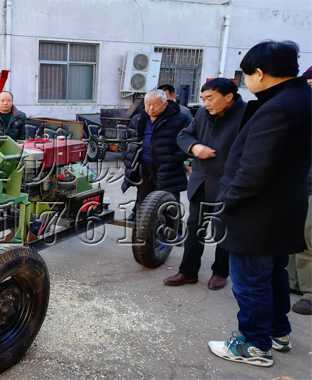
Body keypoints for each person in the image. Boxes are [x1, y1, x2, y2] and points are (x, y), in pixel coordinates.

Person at [208, 41, 311, 367]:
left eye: (246, 75)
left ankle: (253, 344)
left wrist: (225, 202)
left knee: (251, 281)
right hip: (283, 209)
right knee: (272, 275)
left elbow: (254, 169)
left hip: (257, 214)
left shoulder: (279, 107)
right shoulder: (301, 99)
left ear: (260, 73)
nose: (245, 81)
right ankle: (278, 332)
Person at [164, 78, 246, 290]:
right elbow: (184, 135)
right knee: (194, 229)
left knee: (223, 231)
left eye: (210, 98)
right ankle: (188, 271)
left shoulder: (247, 116)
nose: (206, 103)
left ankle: (220, 272)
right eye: (203, 99)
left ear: (229, 97)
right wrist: (194, 147)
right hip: (201, 181)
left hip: (228, 185)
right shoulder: (202, 114)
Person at [122, 89, 192, 220]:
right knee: (143, 198)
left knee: (168, 200)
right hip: (144, 166)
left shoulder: (180, 119)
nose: (151, 108)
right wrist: (131, 157)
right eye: (148, 104)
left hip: (167, 168)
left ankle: (172, 232)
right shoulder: (139, 118)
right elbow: (129, 139)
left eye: (155, 105)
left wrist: (176, 158)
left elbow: (188, 140)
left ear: (165, 104)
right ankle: (142, 230)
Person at [288, 66, 312, 315]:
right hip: (294, 183)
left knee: (309, 237)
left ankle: (310, 292)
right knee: (292, 235)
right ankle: (293, 282)